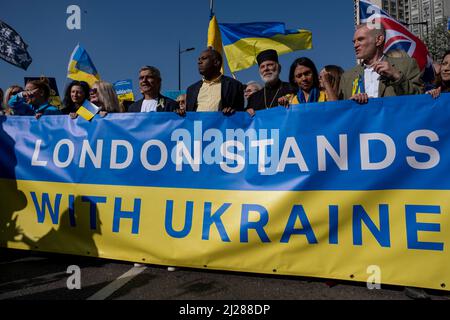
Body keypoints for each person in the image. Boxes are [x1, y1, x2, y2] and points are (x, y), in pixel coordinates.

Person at [339, 24, 423, 104]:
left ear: (379, 40)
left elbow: (421, 100)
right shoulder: (347, 77)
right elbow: (341, 113)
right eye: (354, 42)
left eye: (360, 39)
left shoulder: (406, 65)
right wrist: (350, 103)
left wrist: (396, 76)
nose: (355, 45)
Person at [178, 48, 244, 115]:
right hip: (198, 125)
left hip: (221, 125)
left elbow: (240, 115)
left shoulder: (234, 86)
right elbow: (189, 117)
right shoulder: (191, 90)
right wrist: (180, 114)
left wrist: (232, 112)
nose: (199, 62)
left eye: (204, 58)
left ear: (216, 62)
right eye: (199, 59)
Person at [246, 49, 295, 116]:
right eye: (262, 67)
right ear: (259, 71)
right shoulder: (254, 98)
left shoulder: (292, 88)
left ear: (279, 68)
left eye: (270, 65)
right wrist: (246, 113)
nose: (266, 69)